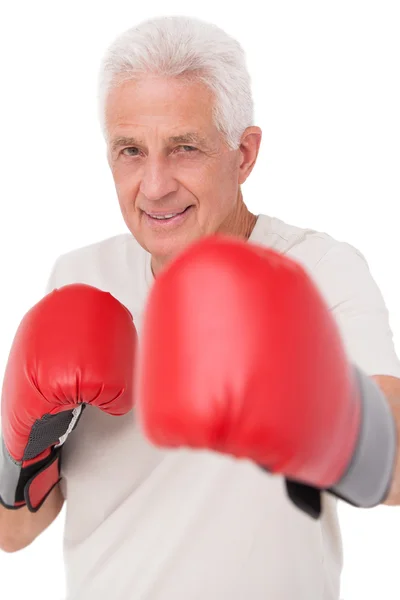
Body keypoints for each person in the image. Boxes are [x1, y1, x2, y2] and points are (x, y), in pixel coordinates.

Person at [0, 15, 400, 600]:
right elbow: (13, 532)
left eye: (184, 148)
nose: (155, 185)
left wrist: (296, 390)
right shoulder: (81, 278)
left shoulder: (317, 268)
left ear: (243, 154)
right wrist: (25, 447)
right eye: (131, 151)